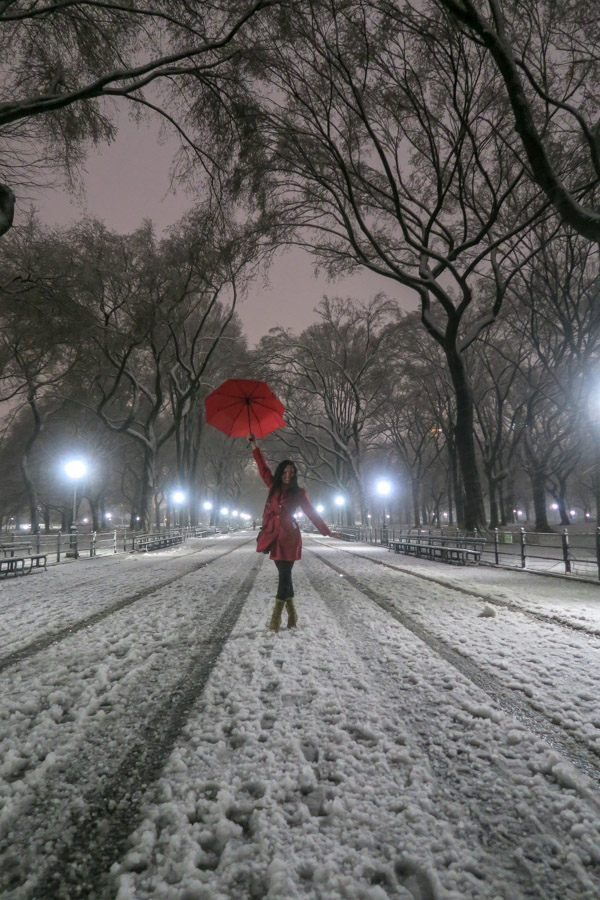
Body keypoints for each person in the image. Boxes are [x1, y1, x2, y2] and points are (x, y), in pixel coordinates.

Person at [248, 432, 341, 632]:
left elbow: (312, 513)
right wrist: (255, 445)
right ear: (281, 473)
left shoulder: (299, 493)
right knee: (285, 576)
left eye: (291, 472)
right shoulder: (273, 486)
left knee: (283, 575)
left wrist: (327, 532)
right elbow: (263, 469)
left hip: (290, 538)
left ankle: (275, 619)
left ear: (295, 474)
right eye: (285, 472)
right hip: (274, 537)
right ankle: (292, 615)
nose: (288, 475)